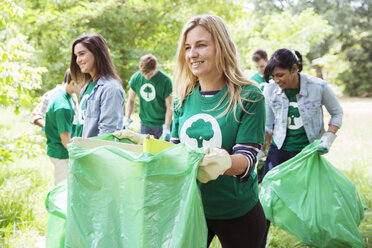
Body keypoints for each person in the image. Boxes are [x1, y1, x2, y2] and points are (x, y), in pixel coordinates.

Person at [170, 14, 267, 248]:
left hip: (237, 212)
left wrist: (221, 161)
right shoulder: (181, 99)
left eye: (201, 45)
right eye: (187, 47)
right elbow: (173, 152)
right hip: (191, 210)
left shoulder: (249, 96)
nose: (192, 54)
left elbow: (246, 161)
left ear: (222, 47)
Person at [260, 48, 343, 247]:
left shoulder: (318, 87)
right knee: (265, 200)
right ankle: (258, 243)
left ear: (294, 68)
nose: (277, 80)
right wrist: (259, 151)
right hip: (278, 151)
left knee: (314, 202)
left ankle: (320, 241)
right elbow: (267, 126)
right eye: (273, 76)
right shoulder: (270, 90)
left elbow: (337, 113)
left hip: (307, 153)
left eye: (280, 75)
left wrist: (327, 139)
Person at [70, 34, 125, 138]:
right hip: (81, 151)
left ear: (97, 53)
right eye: (76, 56)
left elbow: (107, 134)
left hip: (95, 153)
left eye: (82, 54)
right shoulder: (87, 87)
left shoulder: (111, 89)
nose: (77, 60)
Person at [45, 69, 83, 185]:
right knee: (63, 189)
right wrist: (81, 156)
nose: (83, 88)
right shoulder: (63, 106)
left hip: (61, 151)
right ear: (73, 83)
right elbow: (65, 141)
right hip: (62, 154)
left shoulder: (62, 94)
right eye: (82, 84)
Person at [124, 54, 173, 139]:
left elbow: (170, 106)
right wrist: (127, 119)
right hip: (145, 124)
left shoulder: (165, 80)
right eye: (144, 74)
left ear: (155, 68)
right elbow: (130, 100)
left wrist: (167, 127)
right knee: (145, 150)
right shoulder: (136, 78)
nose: (147, 77)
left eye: (149, 74)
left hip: (161, 124)